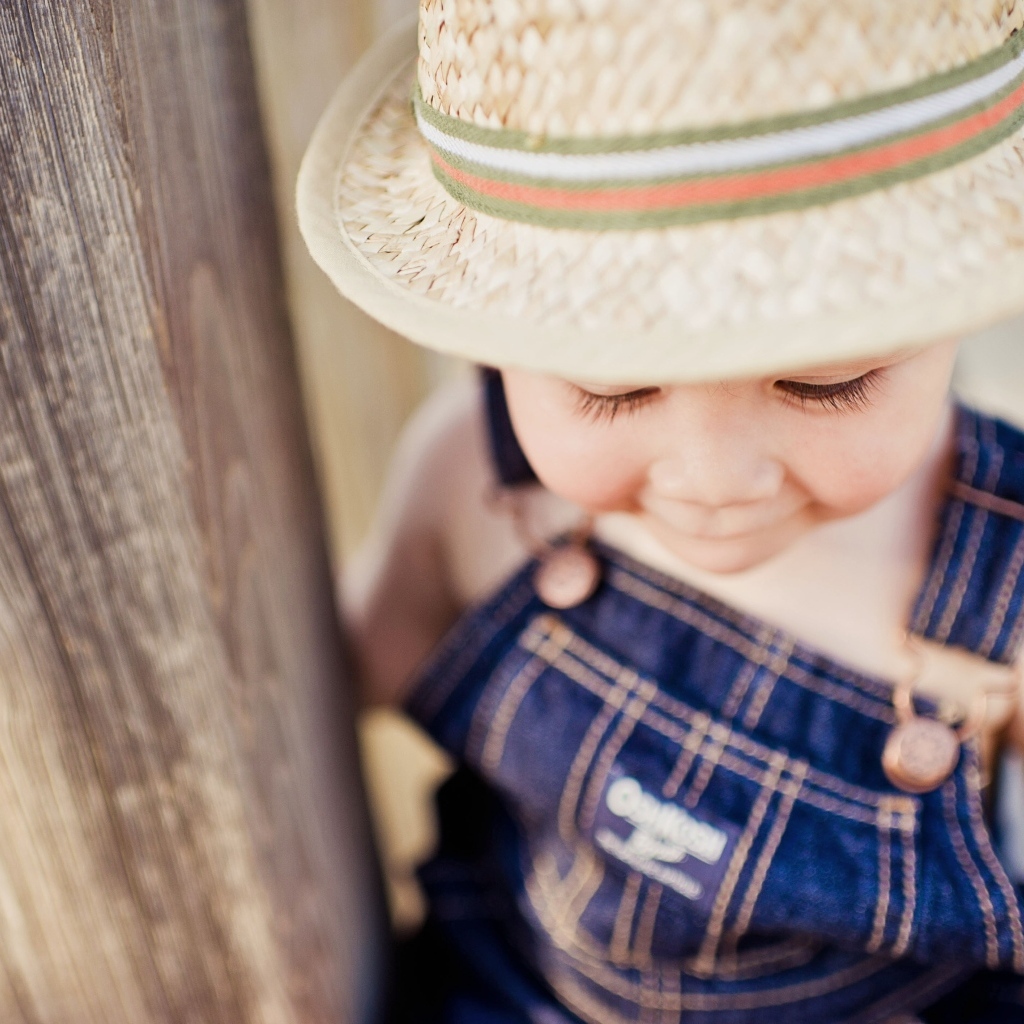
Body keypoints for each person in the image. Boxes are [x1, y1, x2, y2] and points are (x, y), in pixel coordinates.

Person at [298, 0, 1024, 1019]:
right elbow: (314, 696)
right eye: (612, 387)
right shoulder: (480, 487)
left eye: (826, 383)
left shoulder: (1004, 578)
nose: (715, 477)